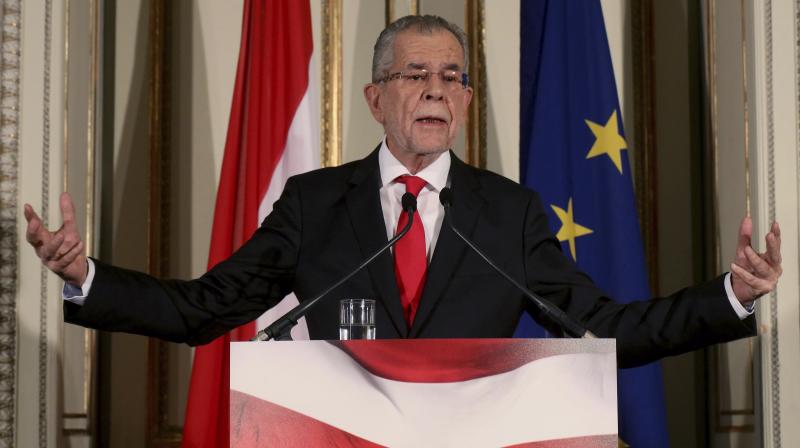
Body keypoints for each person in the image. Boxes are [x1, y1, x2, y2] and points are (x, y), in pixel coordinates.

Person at [24, 15, 781, 368]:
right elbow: (201, 311)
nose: (436, 90)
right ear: (374, 97)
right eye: (414, 74)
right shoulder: (315, 205)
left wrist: (731, 296)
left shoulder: (507, 211)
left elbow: (606, 327)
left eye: (452, 76)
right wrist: (82, 276)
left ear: (466, 101)